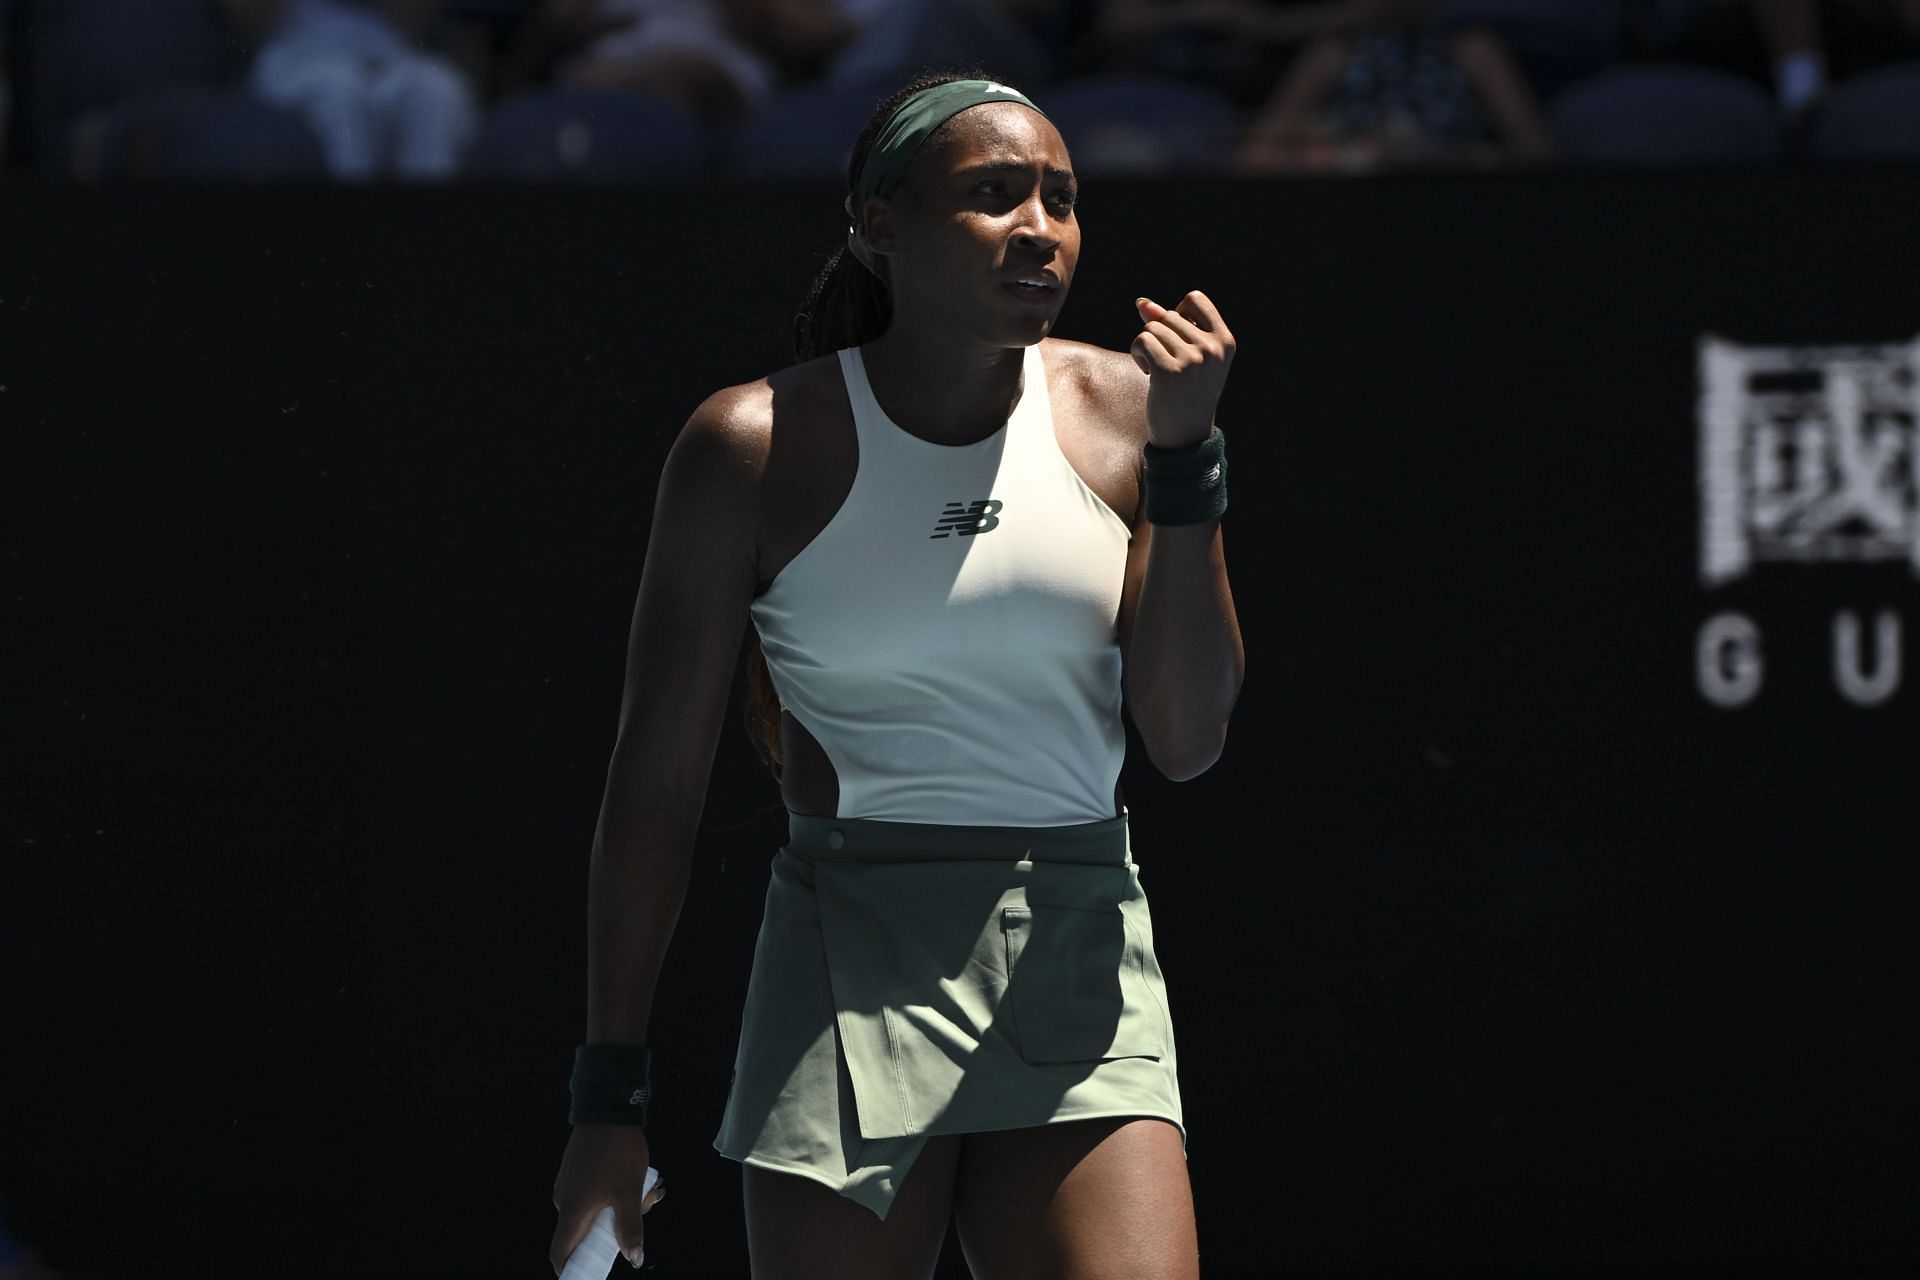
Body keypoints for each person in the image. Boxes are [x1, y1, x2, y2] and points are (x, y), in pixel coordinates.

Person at [547, 65, 1244, 1277]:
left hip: (1080, 943)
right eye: (994, 194)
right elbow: (652, 778)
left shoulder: (1137, 414)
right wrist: (607, 1099)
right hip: (845, 954)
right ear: (879, 226)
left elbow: (1185, 739)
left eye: (1062, 199)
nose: (1041, 228)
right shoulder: (748, 446)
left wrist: (1190, 464)